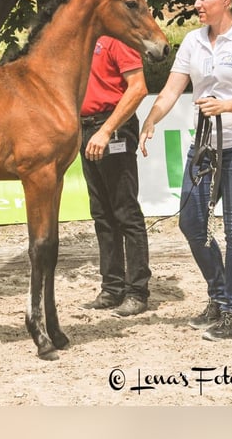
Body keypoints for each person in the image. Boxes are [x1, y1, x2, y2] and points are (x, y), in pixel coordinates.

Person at [138, 0, 232, 341]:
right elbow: (171, 90)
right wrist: (151, 119)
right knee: (192, 224)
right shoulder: (192, 42)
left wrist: (226, 104)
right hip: (205, 146)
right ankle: (219, 296)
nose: (196, 4)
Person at [80, 35, 152, 318]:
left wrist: (107, 130)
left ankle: (137, 291)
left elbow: (138, 88)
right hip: (86, 127)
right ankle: (112, 287)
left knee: (125, 212)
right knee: (101, 213)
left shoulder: (117, 39)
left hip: (112, 126)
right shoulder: (84, 34)